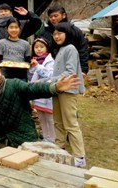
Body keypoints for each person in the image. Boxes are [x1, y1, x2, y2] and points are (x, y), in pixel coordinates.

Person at [0, 59, 82, 148]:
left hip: (24, 140)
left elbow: (33, 89)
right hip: (0, 138)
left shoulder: (14, 84)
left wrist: (55, 87)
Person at [51, 22, 86, 167]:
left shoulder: (70, 49)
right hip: (58, 88)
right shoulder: (60, 49)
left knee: (70, 123)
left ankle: (79, 157)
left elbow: (70, 72)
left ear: (68, 34)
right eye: (54, 34)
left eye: (60, 33)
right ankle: (60, 149)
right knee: (58, 121)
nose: (56, 36)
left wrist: (49, 80)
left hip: (68, 89)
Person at [38, 4, 89, 74]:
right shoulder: (47, 32)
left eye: (56, 16)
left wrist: (83, 69)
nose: (53, 18)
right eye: (50, 17)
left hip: (72, 68)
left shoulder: (74, 31)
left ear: (64, 15)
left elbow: (82, 50)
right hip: (51, 69)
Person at [28, 37, 56, 143]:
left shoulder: (50, 61)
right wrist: (31, 68)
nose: (39, 49)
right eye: (36, 47)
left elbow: (49, 75)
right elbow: (31, 77)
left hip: (47, 95)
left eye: (41, 47)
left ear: (46, 48)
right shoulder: (34, 60)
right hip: (38, 95)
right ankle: (45, 136)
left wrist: (38, 66)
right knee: (41, 118)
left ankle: (52, 138)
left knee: (50, 118)